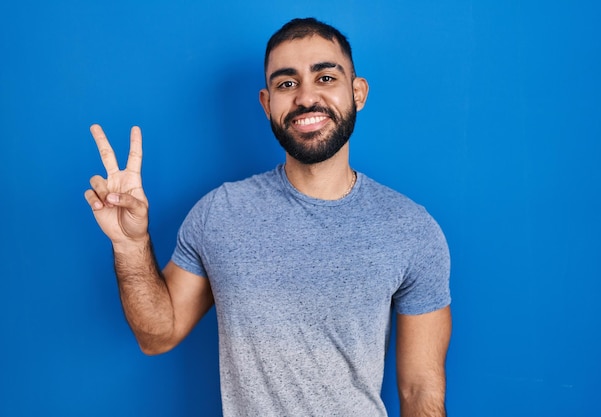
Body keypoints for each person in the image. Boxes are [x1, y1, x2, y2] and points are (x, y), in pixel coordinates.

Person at [85, 17, 451, 417]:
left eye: (325, 77)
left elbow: (420, 391)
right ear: (267, 103)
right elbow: (157, 336)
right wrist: (130, 244)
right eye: (286, 83)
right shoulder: (220, 214)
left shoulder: (410, 229)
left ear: (357, 92)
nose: (306, 97)